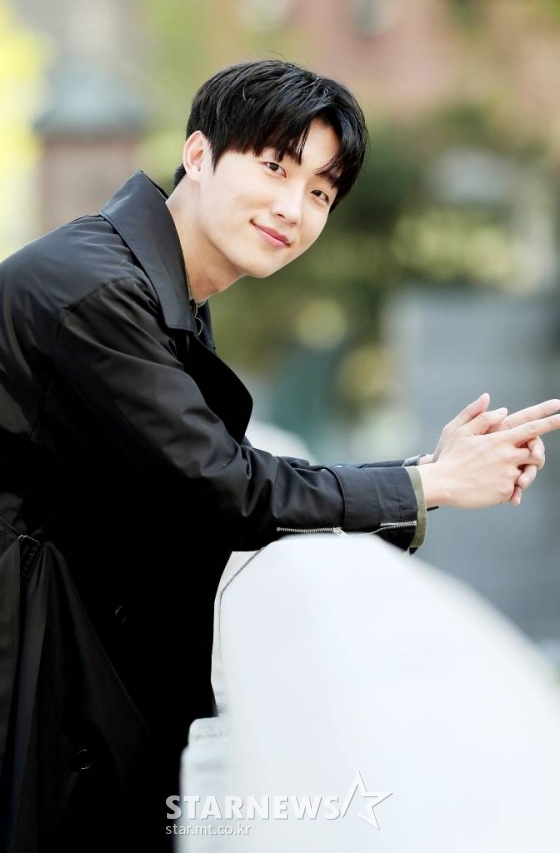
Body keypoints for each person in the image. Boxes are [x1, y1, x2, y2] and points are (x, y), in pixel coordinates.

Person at [0, 58, 558, 851]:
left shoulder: (157, 289)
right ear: (198, 155)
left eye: (321, 192)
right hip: (30, 692)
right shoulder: (93, 290)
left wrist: (417, 479)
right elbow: (221, 485)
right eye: (274, 167)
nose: (292, 208)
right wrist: (425, 483)